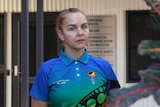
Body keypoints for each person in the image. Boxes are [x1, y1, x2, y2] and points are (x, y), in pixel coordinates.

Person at [30, 8, 120, 107]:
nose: (80, 33)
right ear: (61, 34)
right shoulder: (46, 69)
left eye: (84, 27)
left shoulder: (104, 66)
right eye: (72, 28)